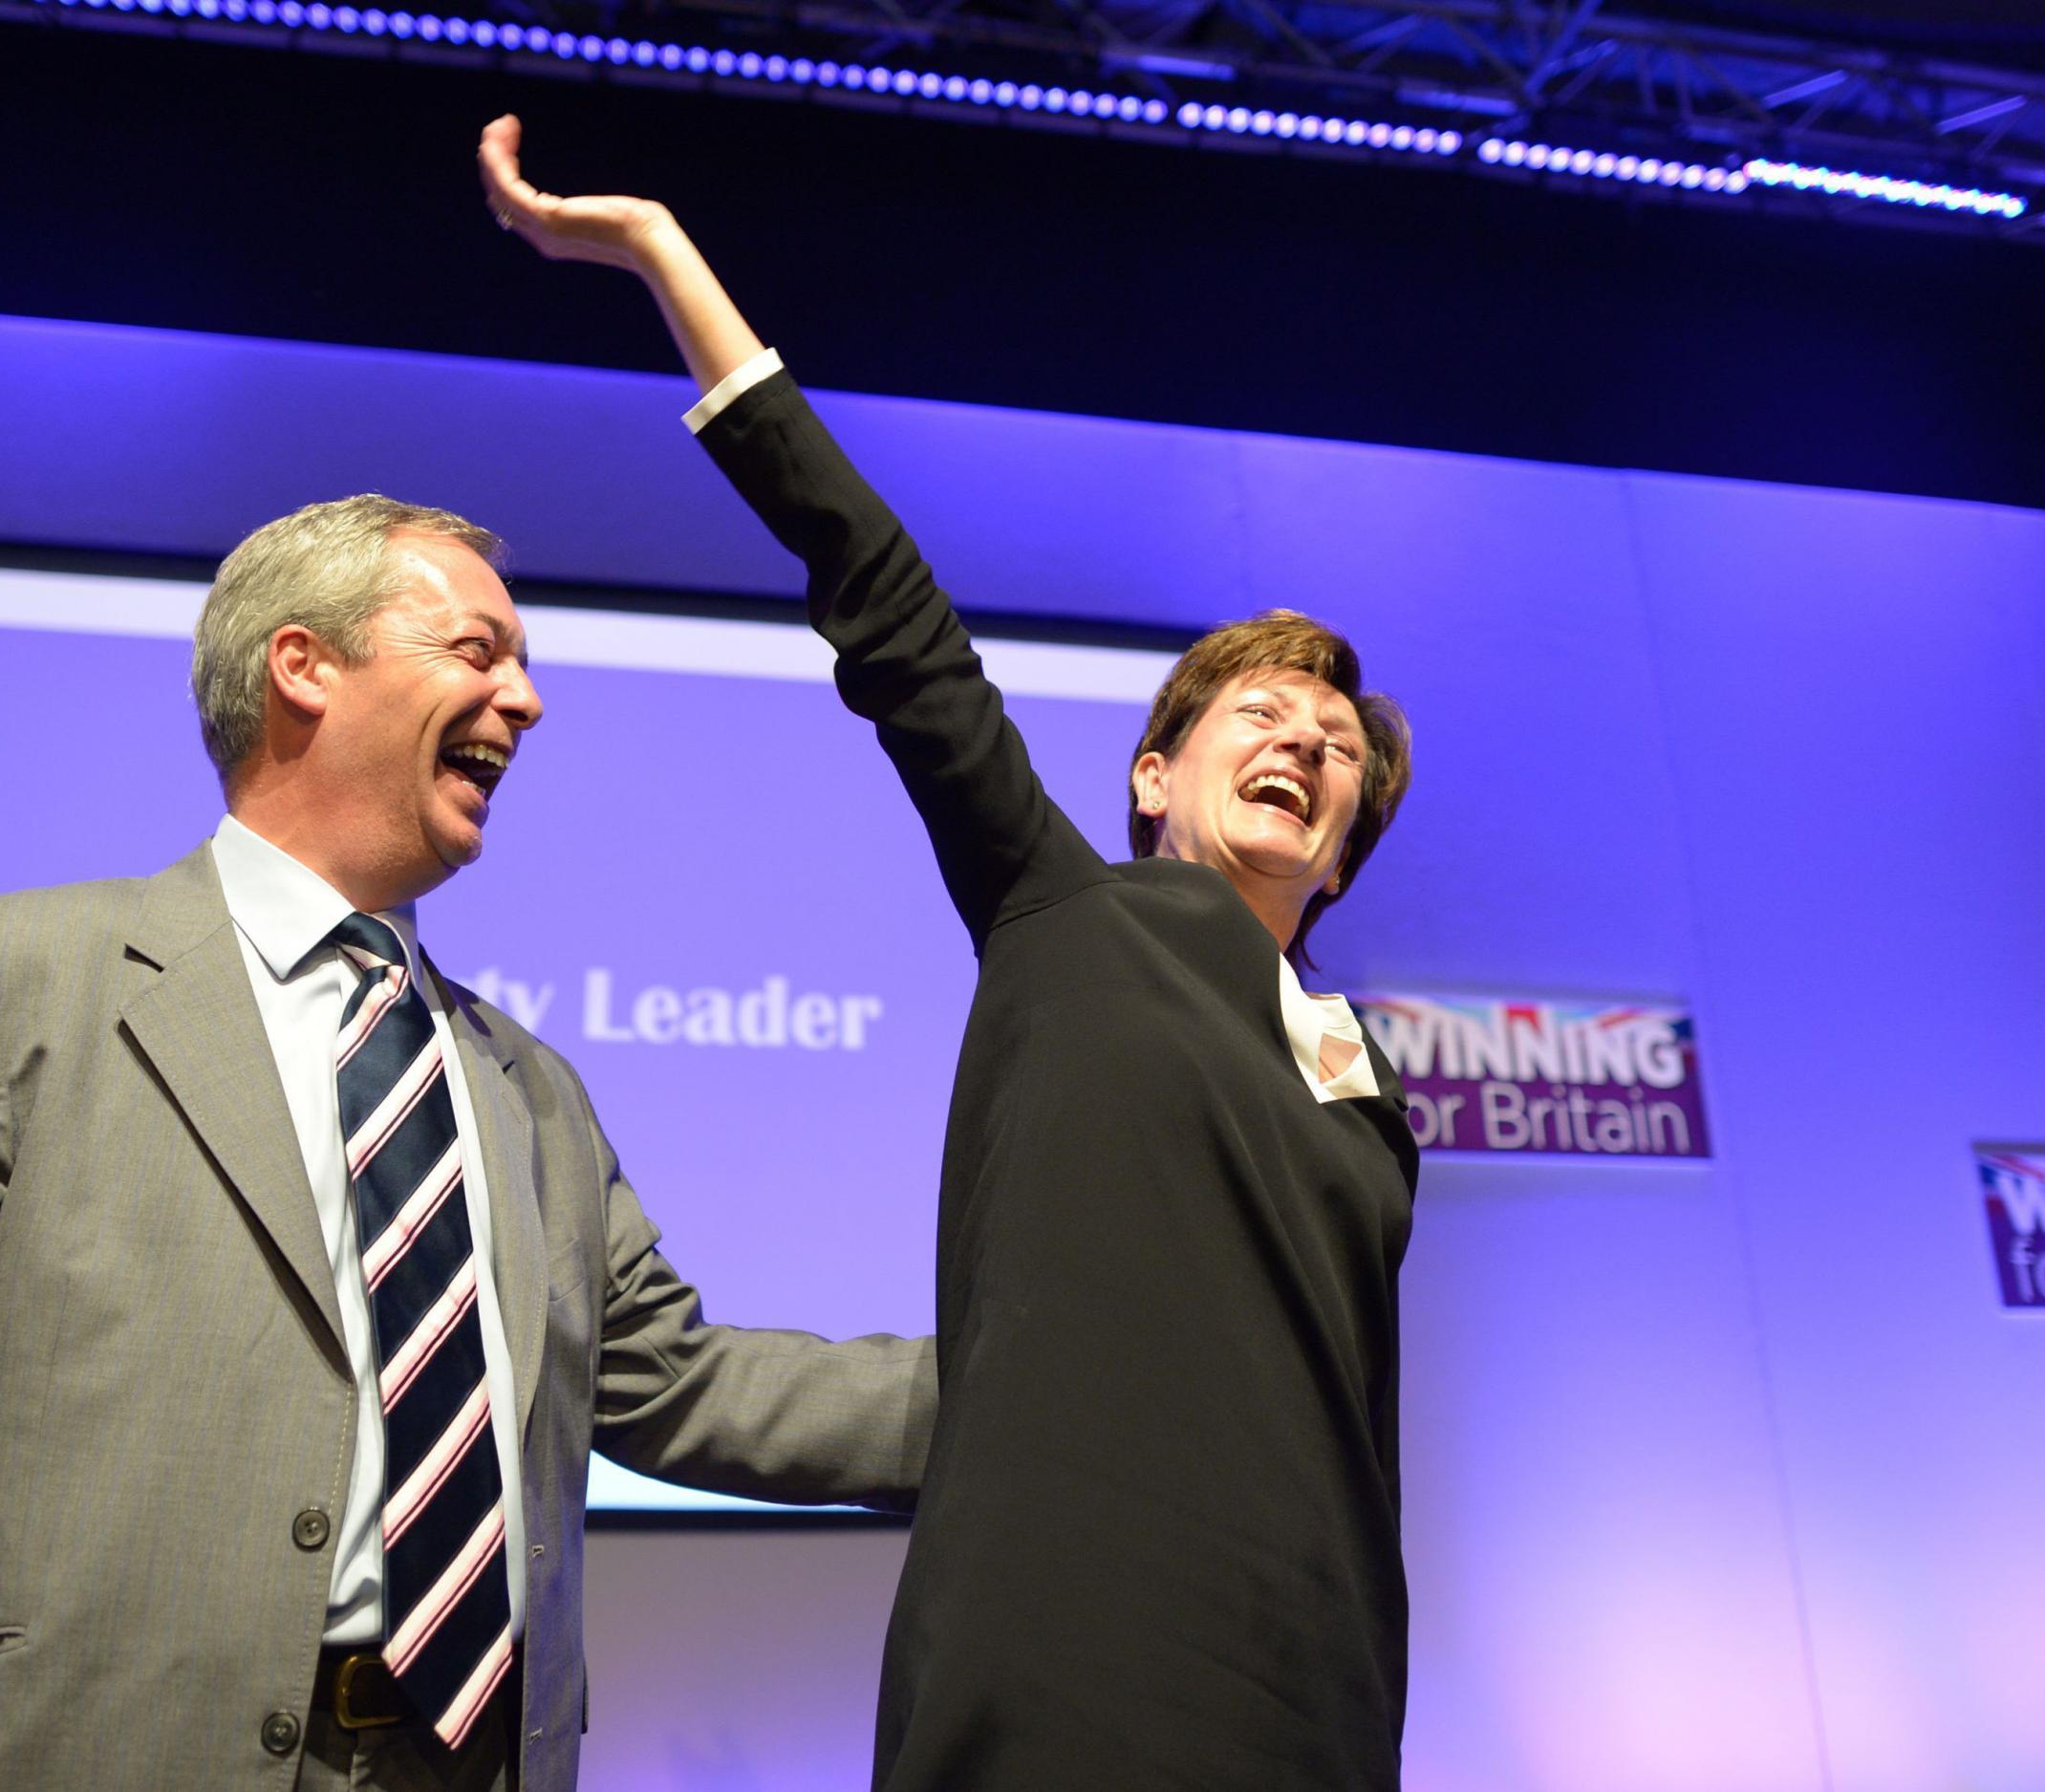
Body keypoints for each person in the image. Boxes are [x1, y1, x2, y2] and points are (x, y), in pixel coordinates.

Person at [0, 494, 937, 1792]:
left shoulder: (528, 1086)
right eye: (479, 650)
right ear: (304, 666)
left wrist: (1055, 1384)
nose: (529, 701)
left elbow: (682, 1382)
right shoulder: (2, 983)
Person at [479, 117, 1419, 1791]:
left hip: (1318, 1662)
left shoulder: (1368, 1078)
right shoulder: (1073, 911)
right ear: (1151, 779)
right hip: (1073, 1627)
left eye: (1338, 742)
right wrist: (664, 261)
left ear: (1347, 841)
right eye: (1259, 713)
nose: (1304, 740)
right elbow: (890, 612)